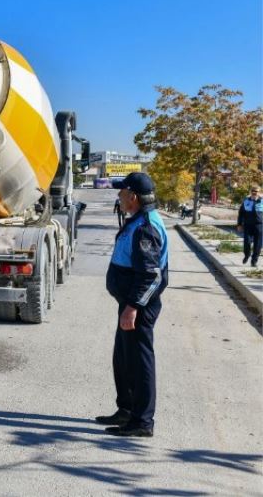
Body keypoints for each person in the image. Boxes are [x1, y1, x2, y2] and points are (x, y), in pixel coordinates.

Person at [97, 172, 168, 437]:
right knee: (123, 360)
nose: (119, 196)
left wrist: (133, 307)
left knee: (139, 363)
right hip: (128, 303)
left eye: (122, 192)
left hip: (138, 306)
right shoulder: (136, 221)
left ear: (133, 197)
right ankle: (126, 409)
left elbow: (151, 274)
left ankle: (142, 422)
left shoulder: (145, 227)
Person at [237, 185, 263, 267]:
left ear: (259, 193)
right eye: (253, 191)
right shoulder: (246, 202)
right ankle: (247, 255)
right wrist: (239, 224)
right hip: (248, 225)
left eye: (256, 191)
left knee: (258, 244)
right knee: (247, 242)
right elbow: (241, 214)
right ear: (250, 192)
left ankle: (254, 261)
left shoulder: (262, 201)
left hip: (259, 226)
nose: (254, 193)